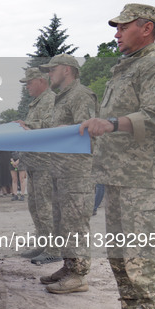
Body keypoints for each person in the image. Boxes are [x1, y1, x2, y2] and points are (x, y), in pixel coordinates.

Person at [80, 3, 155, 309]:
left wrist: (112, 123)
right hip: (118, 174)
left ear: (146, 28)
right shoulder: (124, 68)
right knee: (120, 251)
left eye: (123, 27)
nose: (116, 33)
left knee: (144, 253)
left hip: (145, 177)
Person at [36, 54, 97, 295]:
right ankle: (68, 266)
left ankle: (79, 275)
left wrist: (63, 130)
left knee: (75, 223)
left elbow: (89, 129)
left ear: (67, 70)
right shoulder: (62, 98)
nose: (49, 74)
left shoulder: (81, 95)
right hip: (60, 169)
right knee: (62, 223)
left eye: (53, 69)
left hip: (77, 172)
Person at [17, 67, 59, 264]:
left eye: (29, 83)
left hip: (45, 163)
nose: (27, 87)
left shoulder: (51, 100)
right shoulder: (36, 103)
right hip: (34, 163)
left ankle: (53, 249)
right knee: (34, 205)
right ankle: (42, 244)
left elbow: (51, 125)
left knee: (45, 207)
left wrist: (28, 126)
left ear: (41, 81)